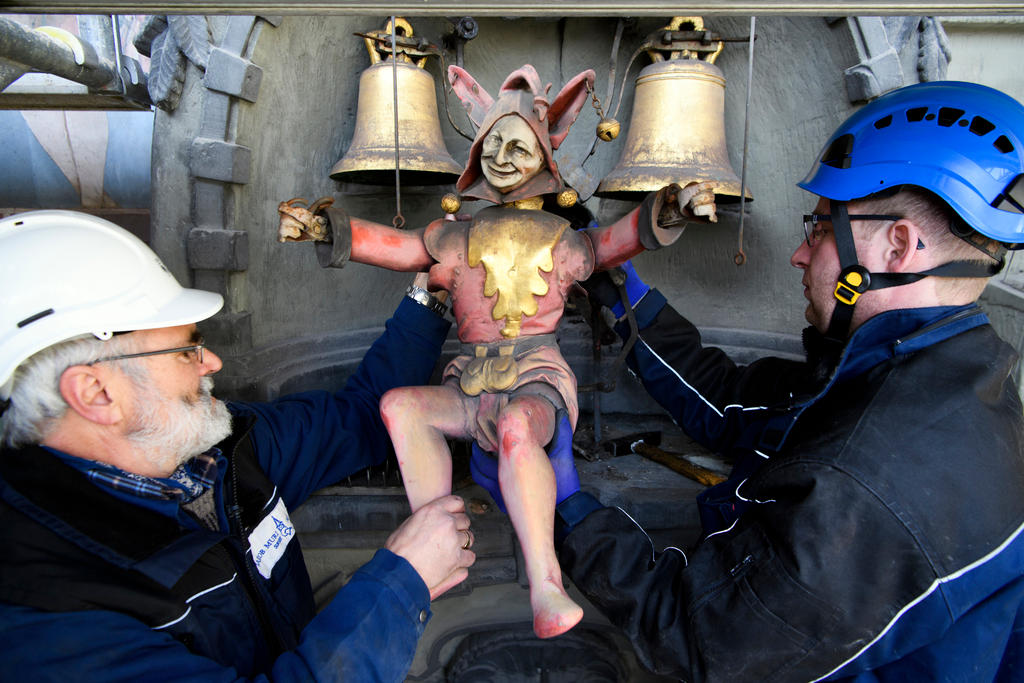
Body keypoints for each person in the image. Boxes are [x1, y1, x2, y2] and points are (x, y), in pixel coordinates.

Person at [513, 80, 1024, 680]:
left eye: (822, 229)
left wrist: (566, 507)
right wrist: (625, 291)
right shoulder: (916, 374)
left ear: (898, 245)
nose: (800, 256)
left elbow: (698, 637)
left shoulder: (865, 484)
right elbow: (732, 400)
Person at [276, 63, 716, 638]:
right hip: (468, 383)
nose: (502, 156)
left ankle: (546, 582)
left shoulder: (563, 239)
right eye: (492, 144)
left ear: (546, 156)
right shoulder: (452, 236)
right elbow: (395, 246)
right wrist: (325, 229)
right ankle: (437, 539)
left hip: (535, 378)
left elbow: (616, 241)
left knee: (515, 428)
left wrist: (667, 211)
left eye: (518, 145)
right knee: (400, 406)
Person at [0, 210, 476, 681]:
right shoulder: (48, 616)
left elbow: (360, 418)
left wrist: (429, 297)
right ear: (96, 393)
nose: (212, 361)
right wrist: (399, 585)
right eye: (187, 349)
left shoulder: (224, 454)